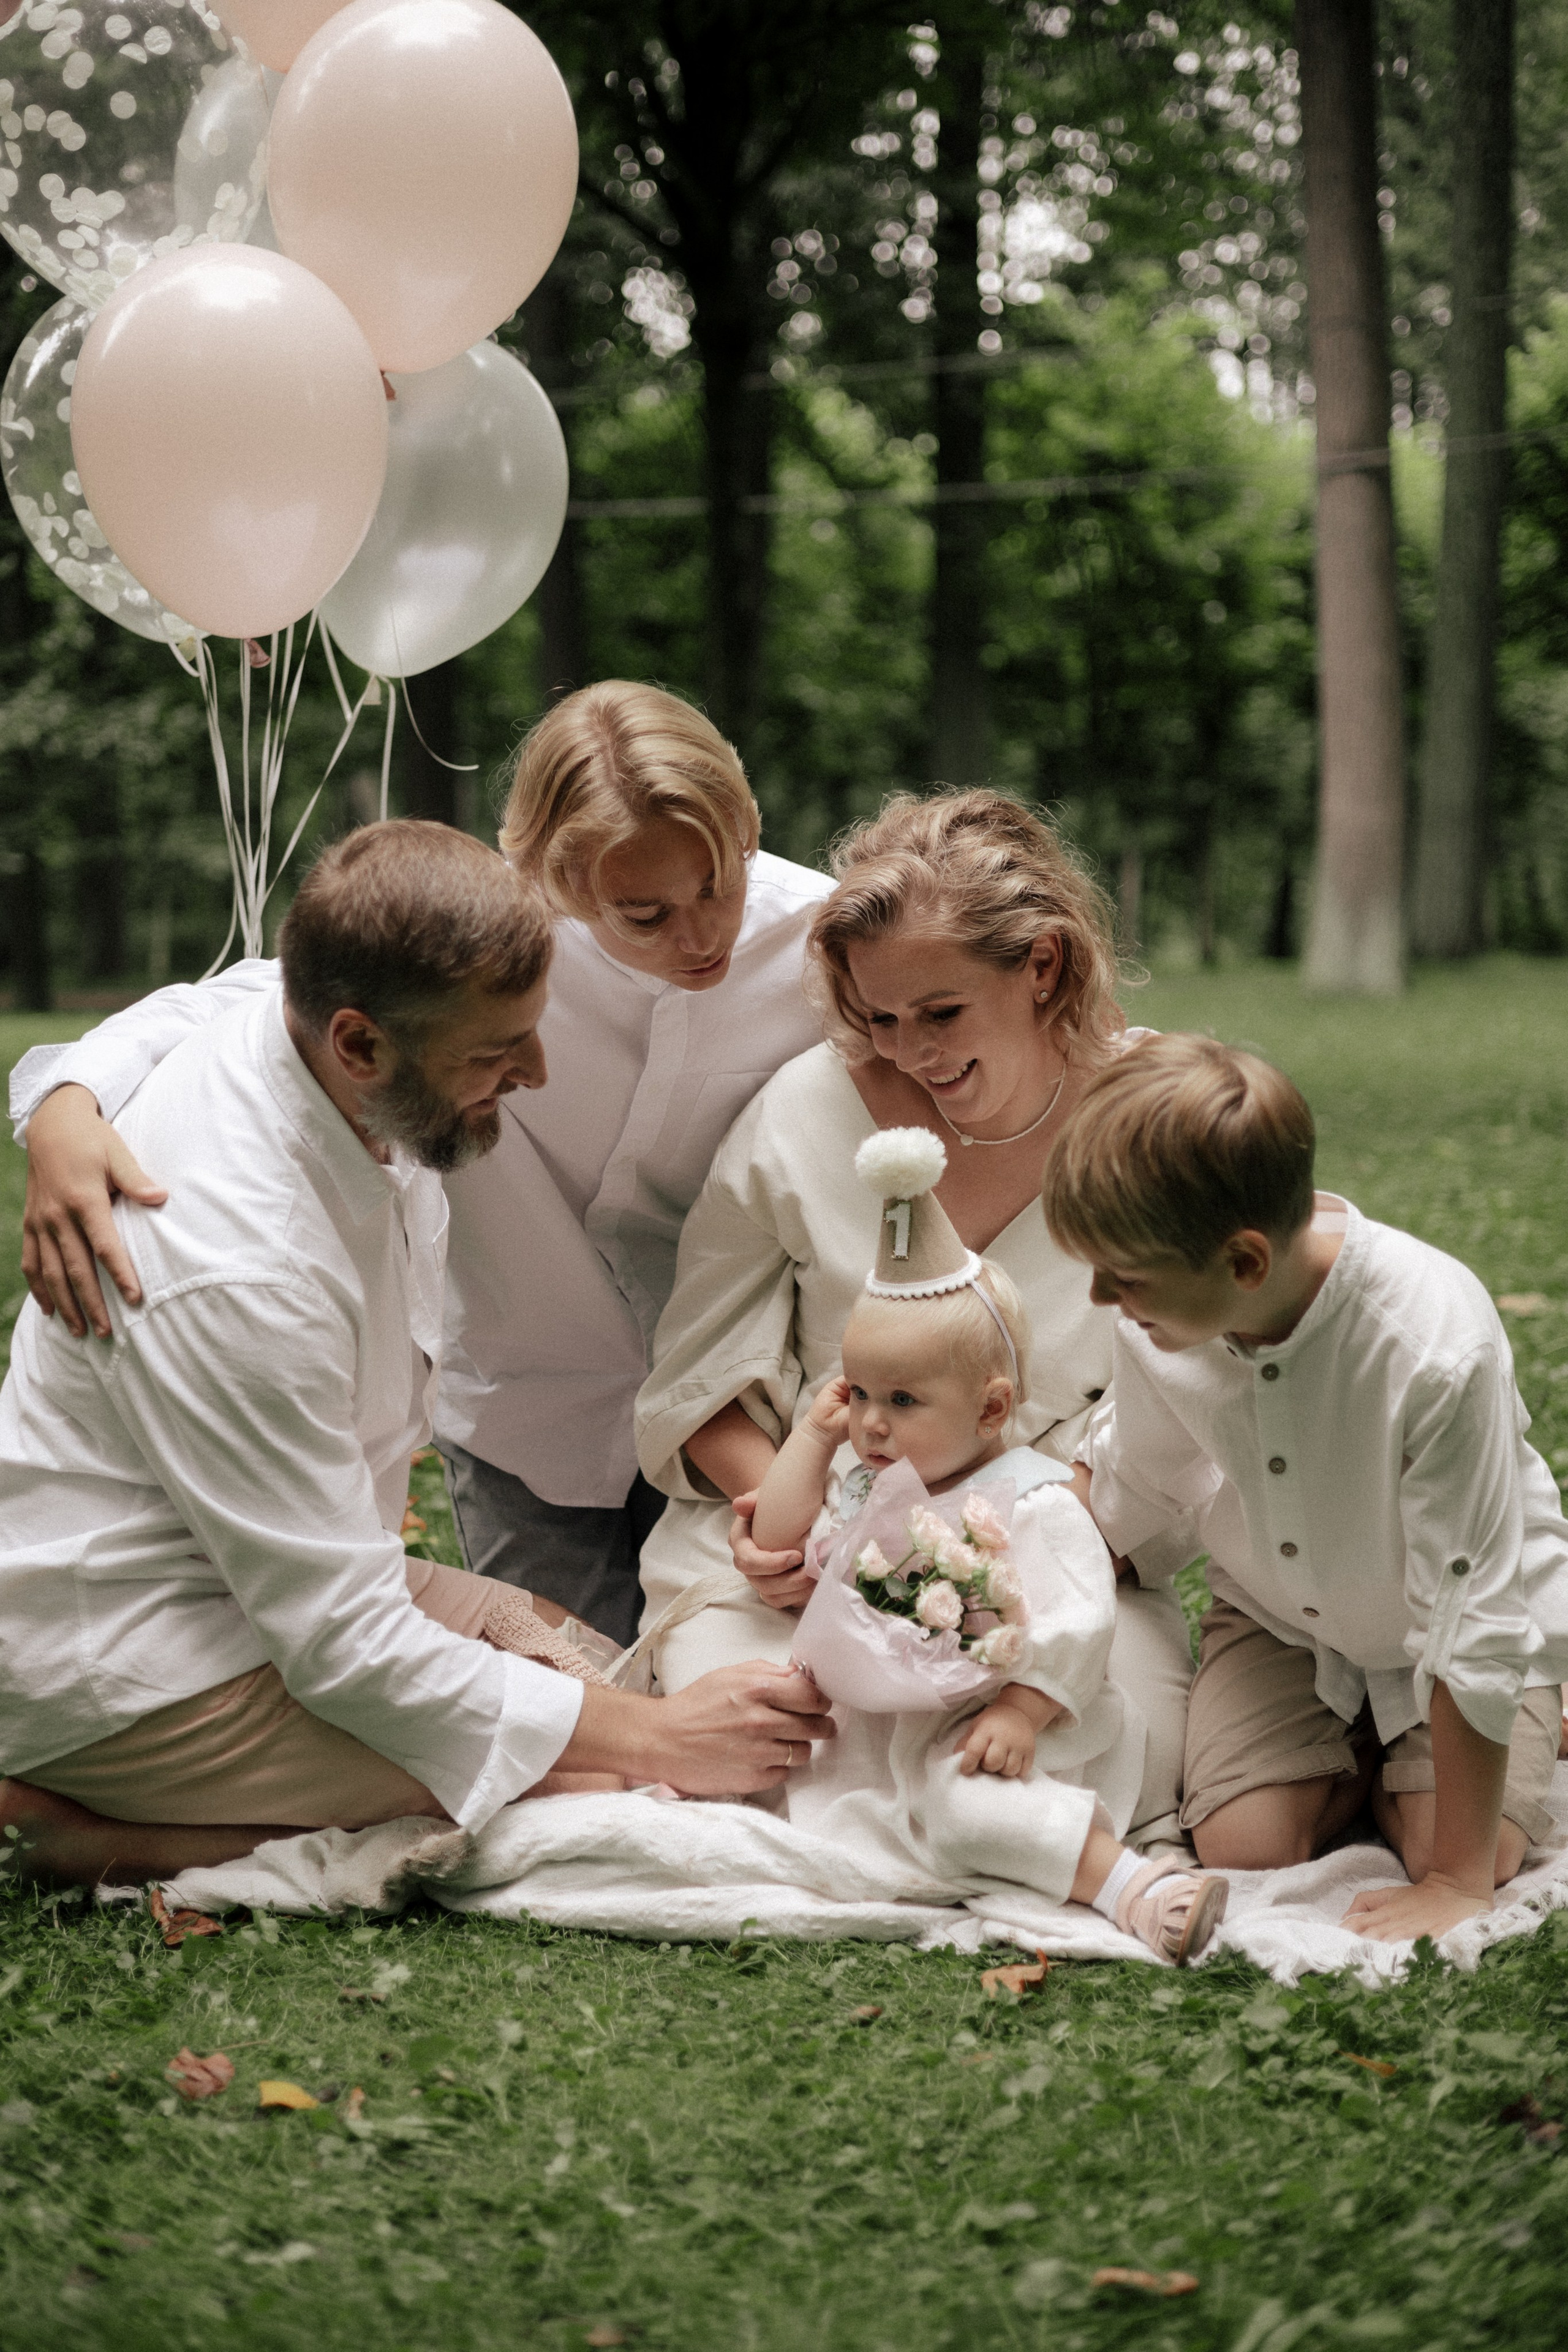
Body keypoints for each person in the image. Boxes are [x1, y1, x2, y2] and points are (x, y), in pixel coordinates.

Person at [0, 823, 833, 1887]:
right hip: (138, 1667)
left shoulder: (311, 1013)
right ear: (359, 1046)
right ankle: (81, 1832)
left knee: (596, 1665)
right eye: (493, 1054)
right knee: (618, 1786)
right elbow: (342, 1647)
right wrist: (657, 1744)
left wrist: (61, 1102)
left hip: (273, 1577)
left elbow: (205, 996)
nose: (534, 1072)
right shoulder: (237, 1265)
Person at [13, 684, 832, 1646]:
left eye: (719, 885)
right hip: (527, 1414)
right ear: (554, 877)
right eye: (643, 914)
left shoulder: (821, 940)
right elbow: (258, 1000)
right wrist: (64, 1108)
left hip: (732, 1411)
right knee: (561, 1687)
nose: (702, 937)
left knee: (734, 1679)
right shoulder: (489, 942)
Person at [633, 789, 1196, 1851]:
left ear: (1042, 967)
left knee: (1108, 1747)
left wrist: (1009, 1552)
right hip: (811, 1556)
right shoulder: (800, 1116)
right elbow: (697, 1380)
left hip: (1059, 1568)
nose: (914, 1054)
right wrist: (782, 1520)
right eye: (879, 1019)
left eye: (942, 1014)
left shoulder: (1156, 1121)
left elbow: (1206, 1395)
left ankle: (998, 1833)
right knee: (767, 1744)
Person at [1042, 1032, 1568, 1945]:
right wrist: (1025, 1573)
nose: (1100, 1299)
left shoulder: (1433, 1347)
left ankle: (1490, 1732)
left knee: (1471, 1854)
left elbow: (1472, 1612)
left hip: (1440, 1624)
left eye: (1124, 1278)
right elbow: (1139, 1476)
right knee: (1243, 1847)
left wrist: (1450, 1882)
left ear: (1245, 1263)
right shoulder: (1159, 1322)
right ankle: (1371, 1752)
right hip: (1282, 1611)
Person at [752, 1128, 1227, 1962]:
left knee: (969, 1807)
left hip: (1014, 1727)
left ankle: (1132, 1885)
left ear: (991, 1406)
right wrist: (812, 1442)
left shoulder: (1031, 1499)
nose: (871, 1420)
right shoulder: (870, 1481)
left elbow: (1082, 1617)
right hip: (893, 1724)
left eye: (901, 1399)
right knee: (800, 1771)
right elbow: (781, 1536)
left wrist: (1022, 1707)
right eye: (857, 1391)